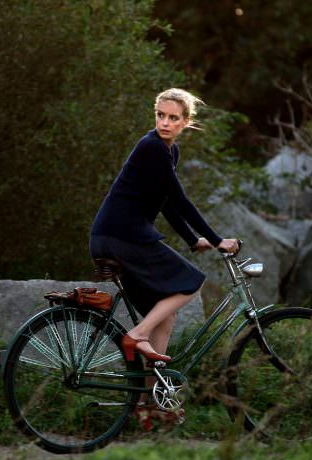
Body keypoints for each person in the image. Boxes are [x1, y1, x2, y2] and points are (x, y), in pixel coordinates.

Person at [89, 88, 239, 366]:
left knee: (166, 314)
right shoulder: (152, 147)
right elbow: (182, 201)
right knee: (191, 283)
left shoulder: (169, 151)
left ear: (185, 122)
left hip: (110, 237)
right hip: (122, 237)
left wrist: (193, 240)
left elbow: (168, 203)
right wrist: (217, 240)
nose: (165, 123)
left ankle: (150, 403)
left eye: (173, 118)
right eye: (160, 116)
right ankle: (138, 334)